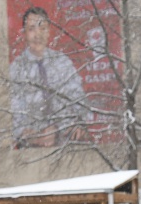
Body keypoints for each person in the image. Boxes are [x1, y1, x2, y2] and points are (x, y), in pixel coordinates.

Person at [8, 5, 92, 148]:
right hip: (30, 152)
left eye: (43, 28)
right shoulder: (16, 69)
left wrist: (78, 123)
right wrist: (33, 135)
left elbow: (80, 101)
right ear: (24, 34)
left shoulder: (62, 62)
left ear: (49, 32)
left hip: (66, 146)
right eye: (32, 29)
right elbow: (12, 116)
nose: (38, 35)